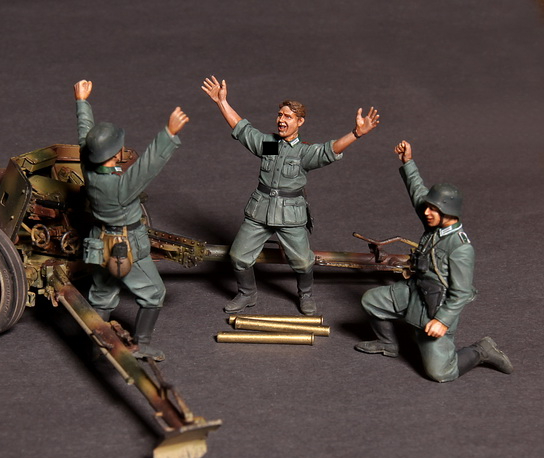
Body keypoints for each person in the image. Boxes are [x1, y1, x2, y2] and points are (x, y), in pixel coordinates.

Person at [201, 75, 380, 315]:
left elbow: (329, 151)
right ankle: (247, 293)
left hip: (290, 215)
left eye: (288, 117)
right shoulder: (271, 145)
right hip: (260, 211)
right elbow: (243, 130)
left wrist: (356, 134)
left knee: (303, 262)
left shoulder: (304, 153)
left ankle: (305, 295)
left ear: (300, 121)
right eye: (280, 115)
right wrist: (222, 102)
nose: (281, 120)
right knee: (238, 256)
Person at [355, 140, 512, 382]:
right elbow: (417, 192)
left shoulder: (460, 248)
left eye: (432, 209)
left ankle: (482, 350)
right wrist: (408, 162)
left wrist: (442, 321)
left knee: (441, 373)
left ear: (448, 212)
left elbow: (461, 293)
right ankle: (388, 343)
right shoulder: (434, 225)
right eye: (428, 207)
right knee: (371, 301)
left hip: (435, 306)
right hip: (413, 291)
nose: (426, 212)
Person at [74, 79, 189, 362]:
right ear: (116, 155)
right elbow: (148, 166)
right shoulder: (121, 187)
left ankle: (97, 346)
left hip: (99, 244)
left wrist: (82, 102)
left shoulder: (87, 167)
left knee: (102, 296)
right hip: (126, 246)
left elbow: (85, 136)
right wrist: (168, 134)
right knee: (154, 294)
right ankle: (141, 344)